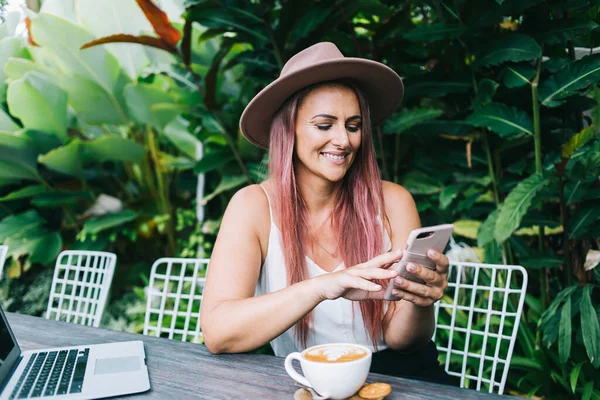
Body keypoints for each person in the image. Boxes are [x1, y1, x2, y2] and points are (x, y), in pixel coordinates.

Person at [201, 42, 453, 384]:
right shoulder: (253, 206)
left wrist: (421, 301)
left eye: (352, 125)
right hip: (305, 379)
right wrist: (322, 287)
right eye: (324, 125)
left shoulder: (393, 201)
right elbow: (218, 333)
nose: (343, 140)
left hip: (402, 379)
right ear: (288, 130)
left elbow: (403, 340)